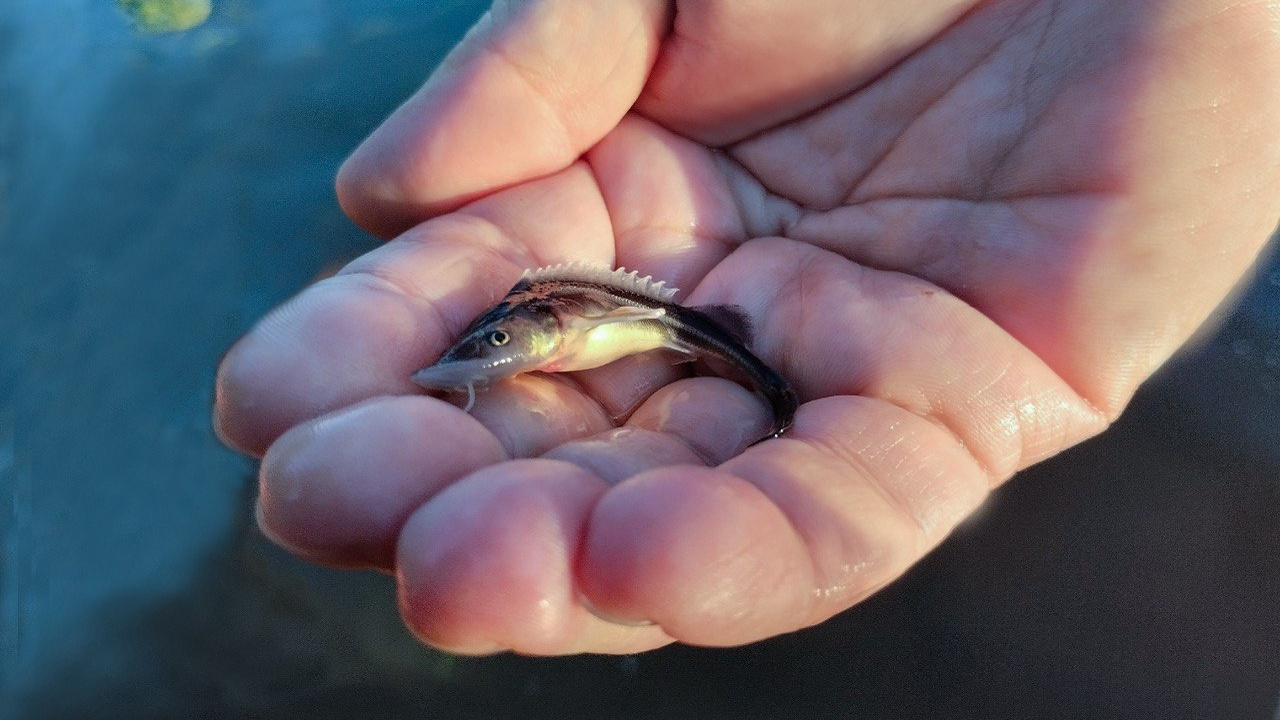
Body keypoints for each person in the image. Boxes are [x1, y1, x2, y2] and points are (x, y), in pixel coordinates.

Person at [214, 0, 1280, 655]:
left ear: (533, 329)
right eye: (496, 348)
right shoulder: (545, 325)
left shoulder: (602, 324)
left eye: (497, 344)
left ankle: (772, 404)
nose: (492, 350)